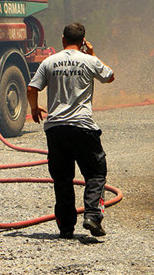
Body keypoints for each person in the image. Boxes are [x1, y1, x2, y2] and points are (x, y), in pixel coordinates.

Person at [27, 22, 115, 239]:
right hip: (83, 127)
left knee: (62, 178)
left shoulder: (49, 61)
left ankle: (66, 228)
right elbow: (110, 76)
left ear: (63, 39)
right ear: (83, 41)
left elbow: (31, 88)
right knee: (95, 173)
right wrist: (92, 54)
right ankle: (92, 216)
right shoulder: (89, 60)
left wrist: (34, 108)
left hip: (56, 129)